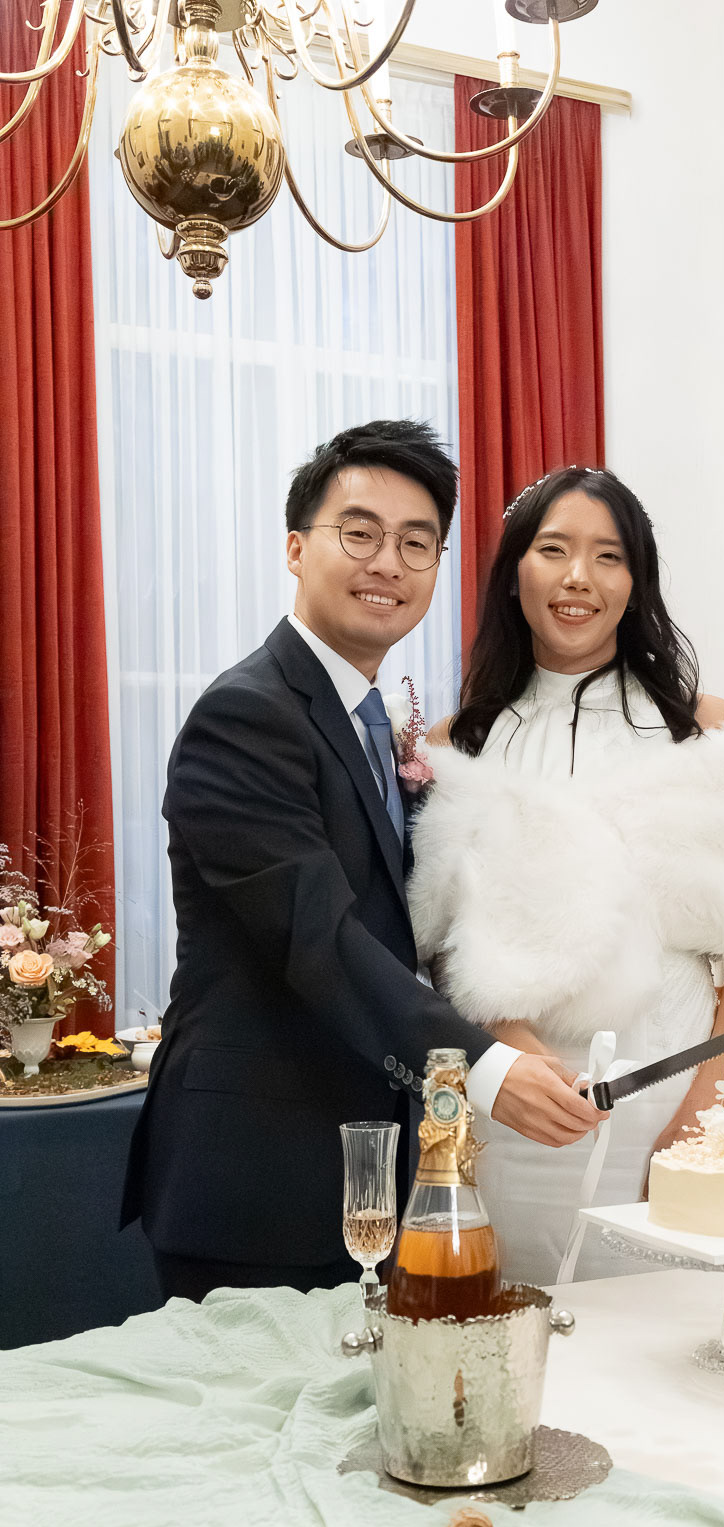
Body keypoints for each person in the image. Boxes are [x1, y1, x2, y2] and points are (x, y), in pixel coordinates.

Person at [122, 421, 602, 1302]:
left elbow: (410, 924)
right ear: (298, 549)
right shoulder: (248, 716)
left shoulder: (374, 721)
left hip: (366, 1172)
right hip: (260, 1176)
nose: (388, 561)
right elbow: (320, 936)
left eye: (417, 543)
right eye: (360, 533)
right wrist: (486, 1069)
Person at [409, 465, 724, 1283]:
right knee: (528, 1346)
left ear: (637, 580)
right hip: (521, 1118)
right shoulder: (456, 744)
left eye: (609, 556)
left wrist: (707, 1107)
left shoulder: (706, 728)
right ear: (515, 570)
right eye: (553, 549)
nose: (578, 578)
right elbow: (442, 943)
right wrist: (516, 1064)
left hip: (678, 1102)